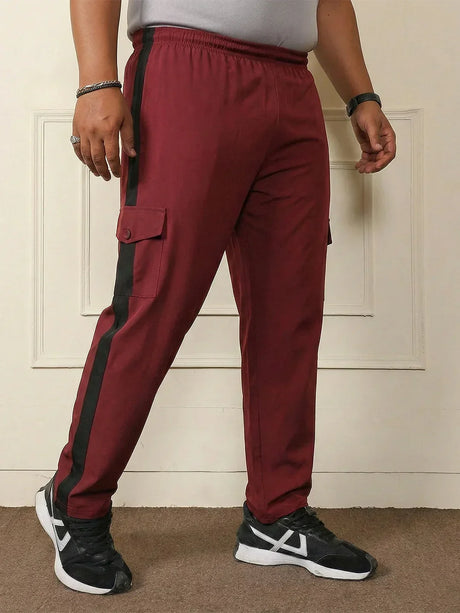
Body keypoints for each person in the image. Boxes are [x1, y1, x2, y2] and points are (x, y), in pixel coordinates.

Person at [35, 0, 396, 595]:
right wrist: (97, 80)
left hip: (291, 83)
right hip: (186, 66)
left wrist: (360, 95)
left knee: (289, 313)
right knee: (155, 301)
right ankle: (75, 502)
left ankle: (277, 513)